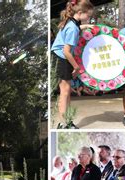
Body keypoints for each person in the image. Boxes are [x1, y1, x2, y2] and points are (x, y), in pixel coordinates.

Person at [51, 0, 94, 129]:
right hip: (62, 57)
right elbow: (66, 51)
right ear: (80, 13)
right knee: (64, 92)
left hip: (63, 57)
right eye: (89, 16)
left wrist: (85, 27)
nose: (89, 18)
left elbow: (75, 28)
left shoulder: (72, 23)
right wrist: (76, 67)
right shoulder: (72, 28)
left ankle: (67, 121)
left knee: (67, 91)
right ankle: (62, 124)